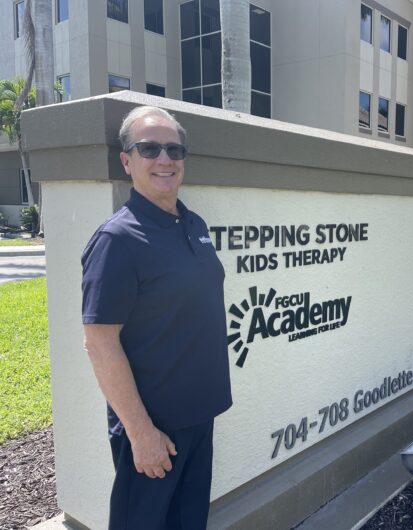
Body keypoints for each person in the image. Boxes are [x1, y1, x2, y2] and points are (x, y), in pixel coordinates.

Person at [81, 105, 232, 530]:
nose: (164, 159)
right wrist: (141, 433)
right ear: (126, 161)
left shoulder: (194, 223)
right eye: (149, 148)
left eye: (174, 149)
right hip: (155, 431)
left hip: (199, 417)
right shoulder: (117, 239)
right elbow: (99, 343)